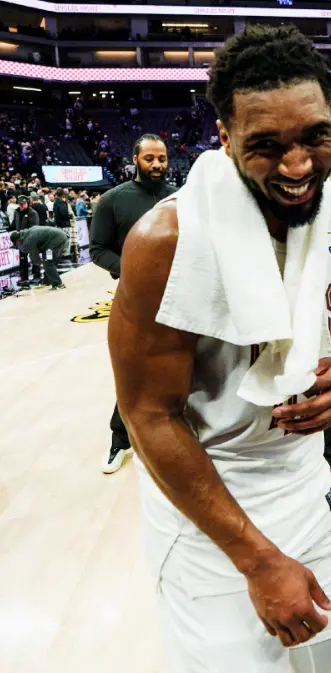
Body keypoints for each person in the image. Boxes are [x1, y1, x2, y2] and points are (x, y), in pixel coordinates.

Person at [108, 25, 331, 673]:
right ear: (224, 137)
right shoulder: (165, 242)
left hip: (303, 479)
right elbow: (147, 416)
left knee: (323, 658)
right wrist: (256, 561)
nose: (298, 164)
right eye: (266, 145)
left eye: (315, 137)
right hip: (209, 502)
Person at [91, 134, 177, 475]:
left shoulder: (182, 197)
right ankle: (120, 439)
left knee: (189, 366)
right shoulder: (113, 200)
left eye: (162, 158)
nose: (157, 164)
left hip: (182, 296)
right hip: (138, 300)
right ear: (135, 159)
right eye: (149, 158)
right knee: (136, 373)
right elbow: (98, 249)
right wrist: (135, 269)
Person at [10, 226, 67, 291]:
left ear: (17, 240)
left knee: (48, 263)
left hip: (55, 240)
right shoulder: (27, 233)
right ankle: (47, 281)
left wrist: (39, 263)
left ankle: (58, 284)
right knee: (49, 262)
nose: (18, 246)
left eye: (16, 244)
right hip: (58, 237)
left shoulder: (29, 240)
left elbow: (34, 256)